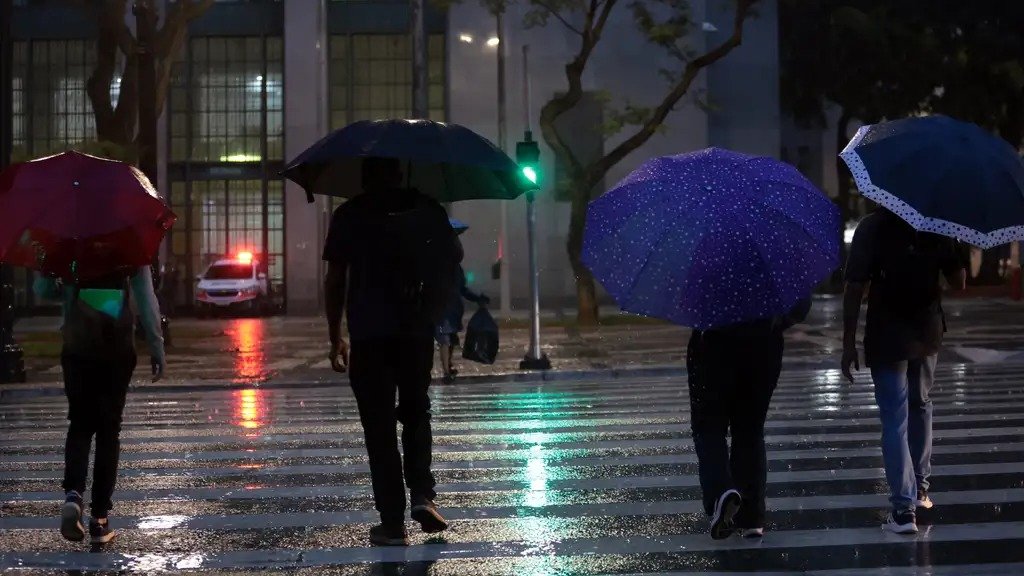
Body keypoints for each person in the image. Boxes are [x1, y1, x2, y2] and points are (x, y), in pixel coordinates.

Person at [323, 157, 458, 547]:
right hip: (415, 332)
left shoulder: (350, 215)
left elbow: (335, 280)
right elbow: (452, 262)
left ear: (364, 177)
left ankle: (392, 523)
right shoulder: (428, 210)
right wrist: (430, 314)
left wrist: (335, 336)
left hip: (368, 335)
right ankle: (423, 495)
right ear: (401, 173)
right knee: (416, 411)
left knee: (378, 428)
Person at [841, 208, 967, 535]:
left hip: (887, 334)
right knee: (920, 404)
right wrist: (956, 244)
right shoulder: (938, 224)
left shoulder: (872, 227)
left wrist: (848, 342)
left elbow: (854, 285)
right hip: (926, 331)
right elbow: (959, 282)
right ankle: (920, 490)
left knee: (895, 417)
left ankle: (902, 509)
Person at [34, 265, 165, 546]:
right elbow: (146, 298)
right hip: (117, 345)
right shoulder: (130, 247)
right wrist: (156, 345)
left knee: (80, 424)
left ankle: (73, 495)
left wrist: (62, 286)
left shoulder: (69, 245)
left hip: (78, 342)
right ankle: (100, 519)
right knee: (109, 430)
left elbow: (42, 290)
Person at [687, 298, 810, 540]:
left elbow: (688, 304)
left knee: (708, 427)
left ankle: (721, 492)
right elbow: (801, 304)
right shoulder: (773, 273)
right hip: (764, 346)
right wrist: (774, 322)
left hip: (714, 344)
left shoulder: (708, 272)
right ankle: (751, 515)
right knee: (750, 429)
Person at [436, 238, 489, 384]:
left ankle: (448, 366)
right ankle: (446, 371)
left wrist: (477, 298)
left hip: (452, 309)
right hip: (443, 309)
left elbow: (463, 289)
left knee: (450, 339)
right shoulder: (440, 268)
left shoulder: (456, 269)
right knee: (445, 339)